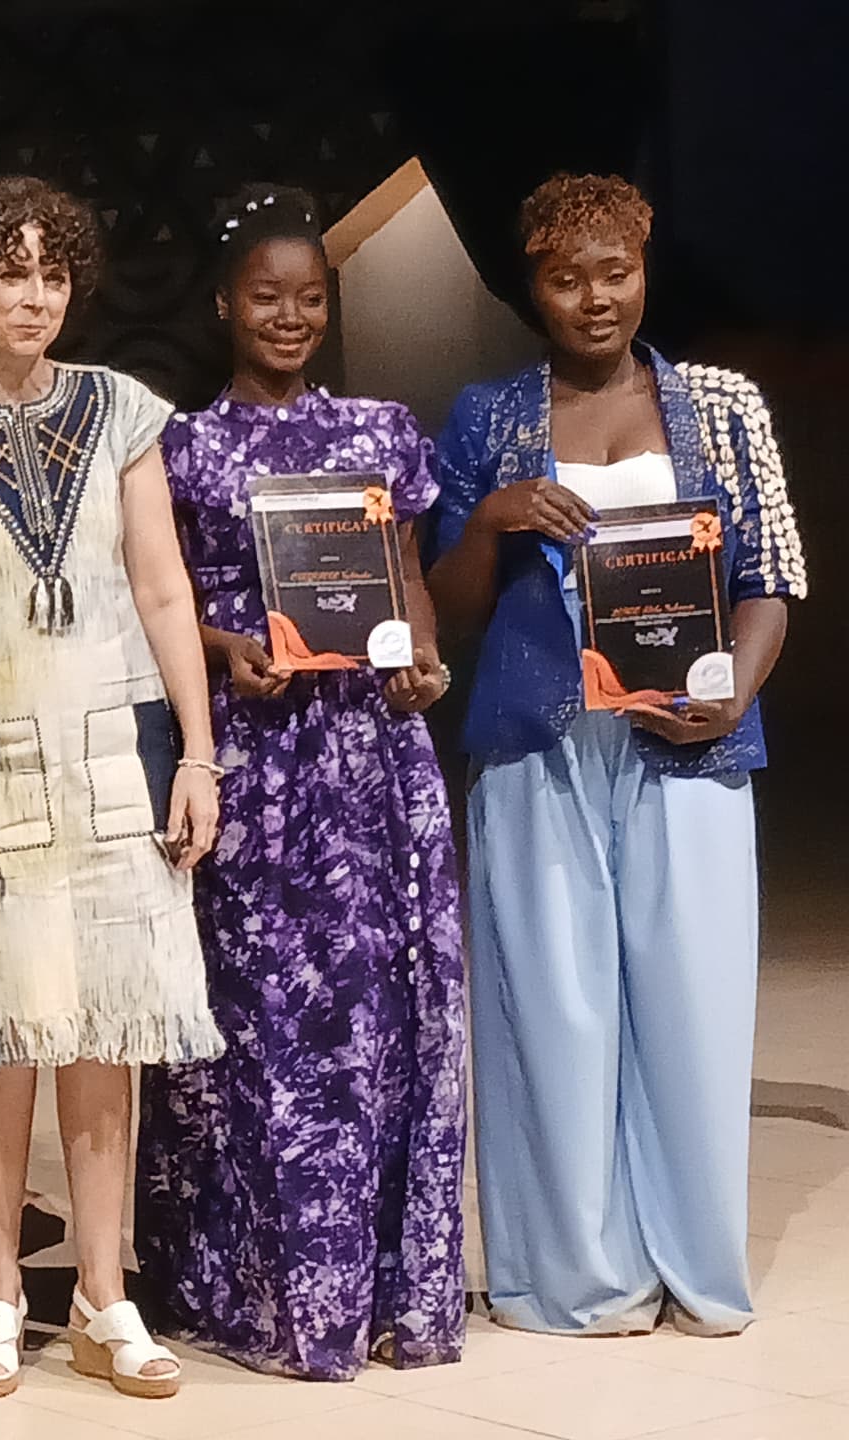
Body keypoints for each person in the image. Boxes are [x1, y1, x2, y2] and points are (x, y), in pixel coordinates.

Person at [426, 173, 803, 1337]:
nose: (594, 299)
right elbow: (444, 609)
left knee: (693, 1005)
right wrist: (489, 519)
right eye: (564, 278)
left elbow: (770, 578)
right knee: (554, 1009)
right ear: (529, 287)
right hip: (538, 747)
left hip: (683, 741)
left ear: (643, 273)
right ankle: (579, 1279)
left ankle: (695, 1262)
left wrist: (732, 691)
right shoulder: (488, 416)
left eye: (615, 273)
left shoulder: (723, 406)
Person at [132, 184, 467, 1381]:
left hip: (370, 764)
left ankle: (382, 1288)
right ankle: (260, 1292)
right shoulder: (180, 448)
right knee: (259, 1023)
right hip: (256, 765)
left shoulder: (380, 432)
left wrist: (419, 661)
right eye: (266, 297)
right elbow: (154, 603)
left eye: (310, 298)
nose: (289, 317)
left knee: (382, 1021)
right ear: (224, 305)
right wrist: (228, 649)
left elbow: (405, 576)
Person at [0, 175, 222, 1403]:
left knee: (107, 1024)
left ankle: (102, 1292)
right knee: (3, 1026)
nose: (33, 297)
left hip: (114, 749)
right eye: (9, 272)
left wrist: (198, 755)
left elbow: (162, 589)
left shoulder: (121, 407)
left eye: (53, 274)